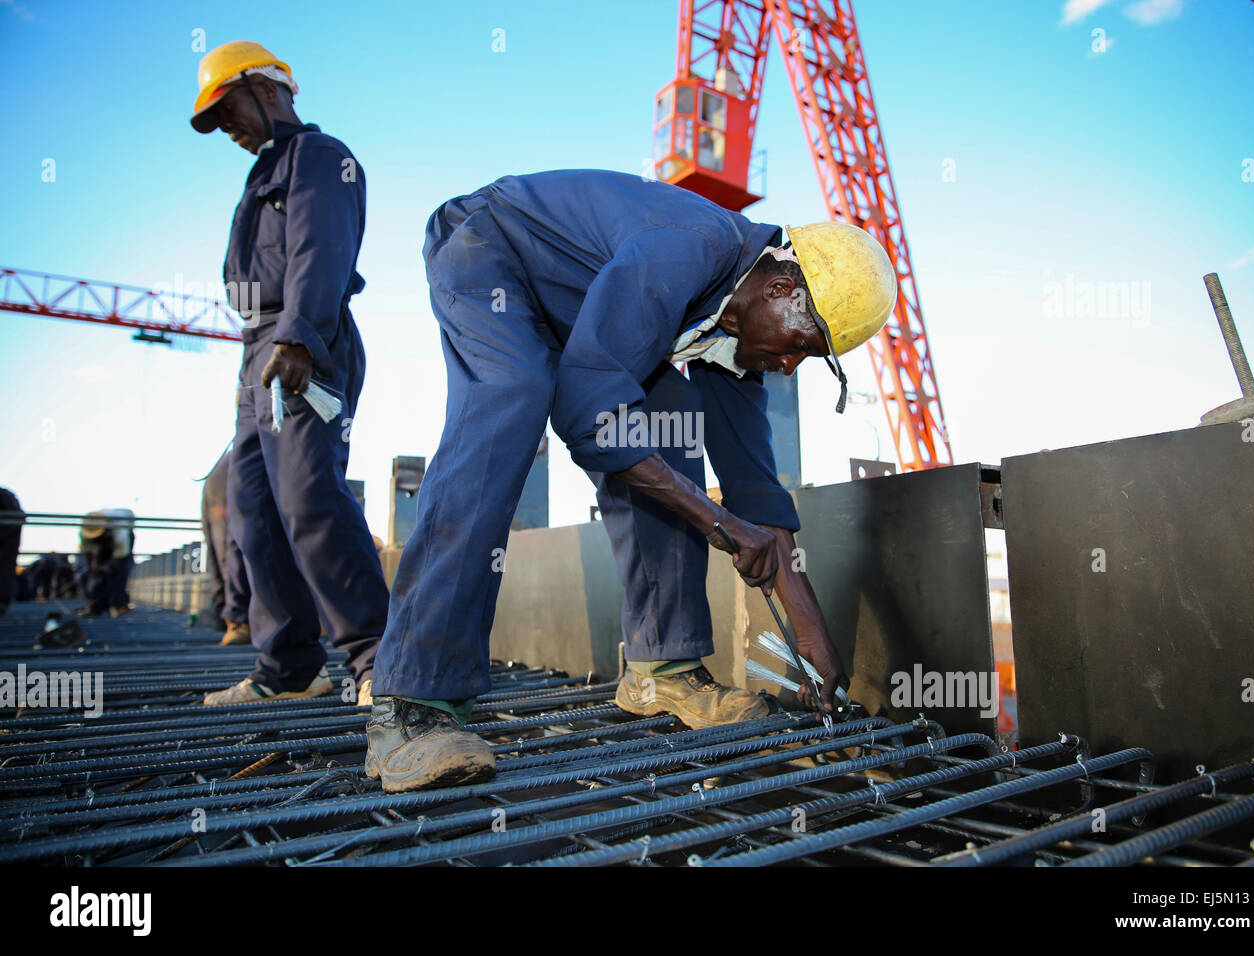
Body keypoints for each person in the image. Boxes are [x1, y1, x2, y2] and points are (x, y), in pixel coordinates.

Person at [365, 169, 898, 792]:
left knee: (665, 433)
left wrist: (813, 636)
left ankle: (661, 668)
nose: (787, 364)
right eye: (799, 345)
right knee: (511, 393)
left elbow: (756, 491)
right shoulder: (687, 249)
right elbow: (591, 413)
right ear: (780, 286)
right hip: (491, 248)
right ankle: (411, 699)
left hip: (590, 305)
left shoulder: (734, 323)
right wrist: (718, 523)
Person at [189, 41, 389, 706]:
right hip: (257, 352)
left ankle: (378, 659)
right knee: (252, 509)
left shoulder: (318, 157)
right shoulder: (263, 172)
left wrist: (300, 333)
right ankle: (289, 667)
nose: (228, 130)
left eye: (229, 111)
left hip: (304, 335)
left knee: (308, 497)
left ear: (266, 87)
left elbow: (319, 247)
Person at [199, 446, 252, 644]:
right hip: (230, 483)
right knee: (231, 547)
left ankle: (229, 613)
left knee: (225, 548)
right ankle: (236, 617)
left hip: (228, 479)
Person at [78, 509, 135, 616]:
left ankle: (117, 604)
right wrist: (93, 569)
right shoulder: (87, 528)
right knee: (94, 574)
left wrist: (108, 567)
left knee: (118, 572)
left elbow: (121, 554)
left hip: (119, 543)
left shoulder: (119, 528)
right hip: (104, 539)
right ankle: (96, 604)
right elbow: (87, 552)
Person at [0, 488, 22, 616]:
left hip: (9, 536)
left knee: (5, 569)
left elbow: (17, 518)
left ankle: (1, 604)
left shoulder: (5, 496)